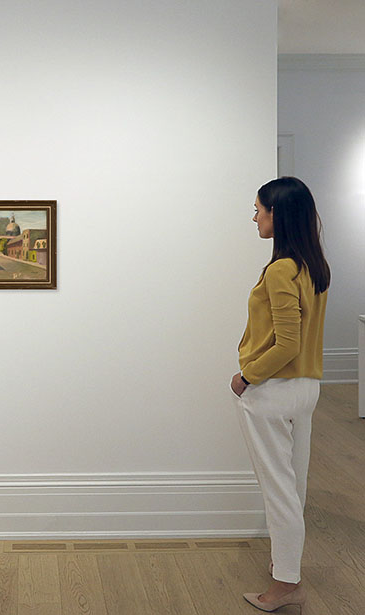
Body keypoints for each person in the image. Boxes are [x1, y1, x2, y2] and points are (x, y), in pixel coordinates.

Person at [230, 176, 330, 613]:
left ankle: (286, 584)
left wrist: (247, 376)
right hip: (306, 389)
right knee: (295, 485)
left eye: (258, 209)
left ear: (278, 214)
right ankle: (285, 567)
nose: (254, 216)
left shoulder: (280, 269)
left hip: (273, 391)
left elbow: (286, 343)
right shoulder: (313, 266)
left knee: (279, 491)